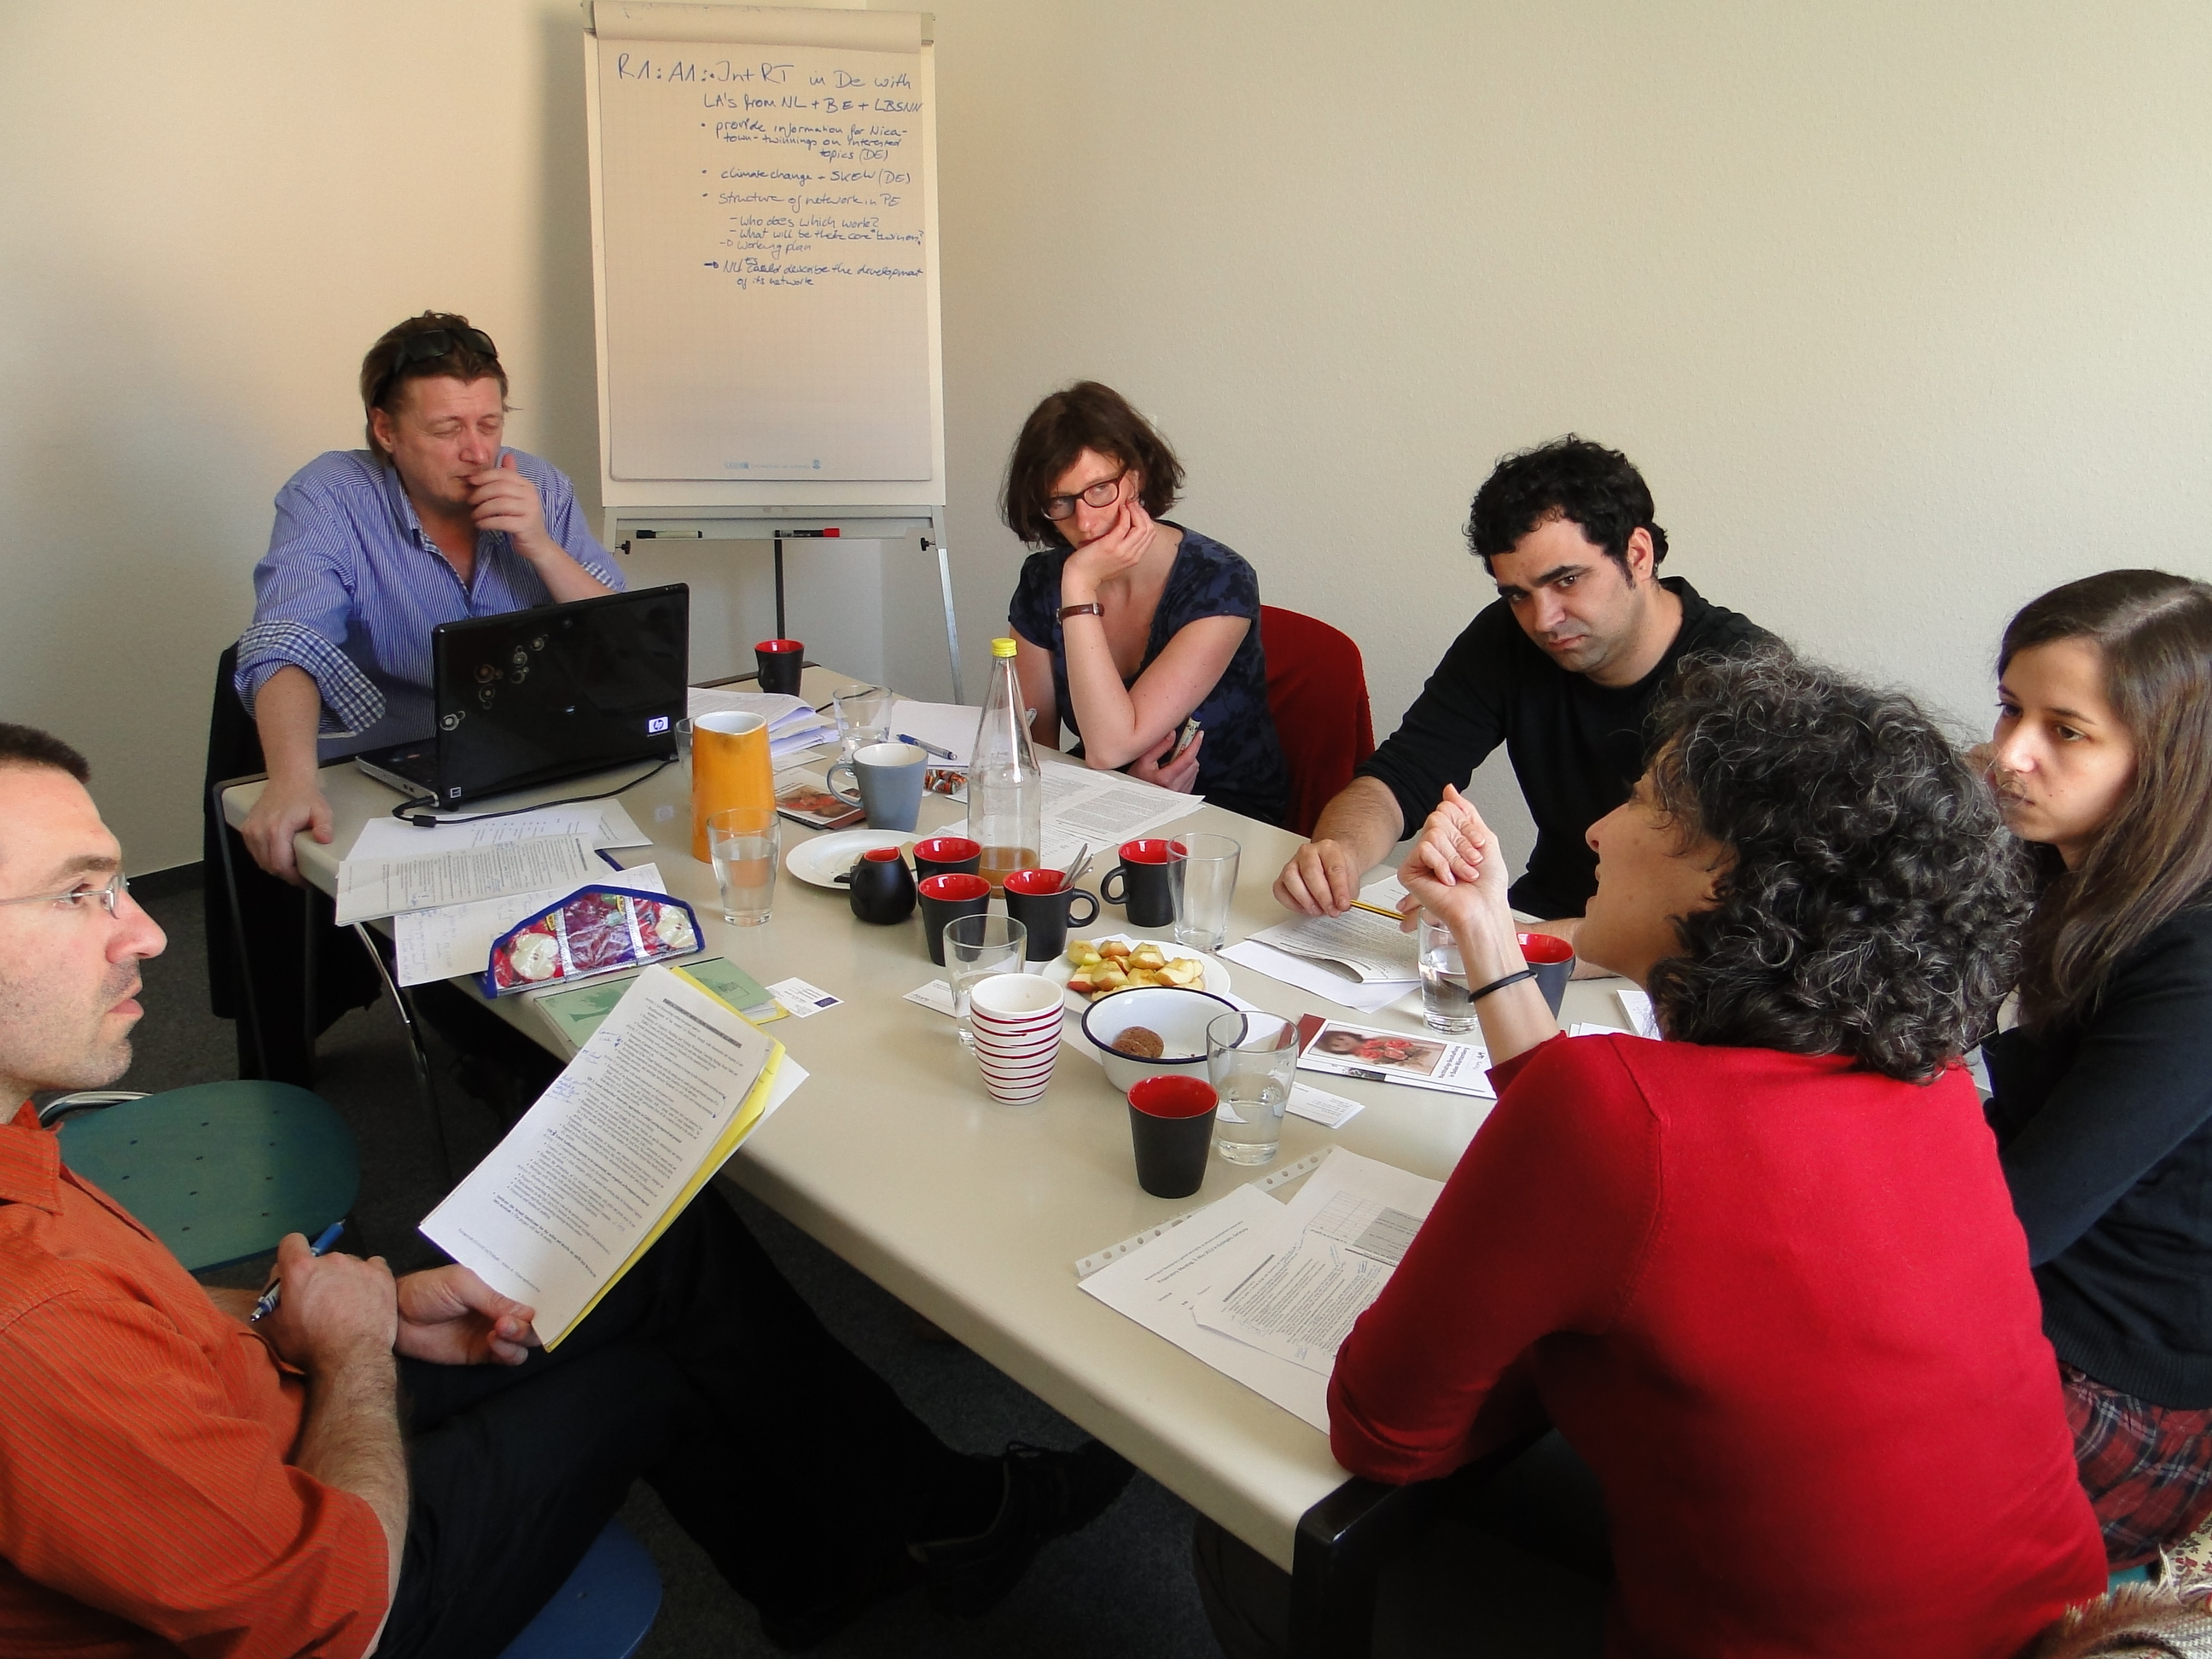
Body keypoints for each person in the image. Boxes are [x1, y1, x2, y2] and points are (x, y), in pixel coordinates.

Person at [0, 724, 1132, 1656]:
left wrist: (337, 1313)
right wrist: (350, 1356)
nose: (148, 930)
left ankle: (869, 1554)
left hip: (250, 1414)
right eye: (78, 895)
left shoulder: (18, 1139)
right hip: (349, 1587)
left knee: (654, 1244)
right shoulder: (28, 1323)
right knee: (642, 1376)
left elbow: (137, 1337)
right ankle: (904, 1542)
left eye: (118, 884)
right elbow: (333, 1613)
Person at [1200, 651, 2105, 1658]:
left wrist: (1546, 1348)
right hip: (2045, 1625)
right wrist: (1485, 929)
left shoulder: (1612, 1114)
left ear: (1724, 877)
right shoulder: (1933, 1085)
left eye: (1637, 802)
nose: (1597, 830)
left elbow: (1383, 1433)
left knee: (1256, 1546)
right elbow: (1622, 1153)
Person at [1272, 435, 1771, 940]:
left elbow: (1740, 914)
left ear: (1637, 555)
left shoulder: (1749, 679)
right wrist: (1339, 851)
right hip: (1541, 918)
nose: (1543, 620)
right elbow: (1402, 774)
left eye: (1567, 580)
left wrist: (1501, 940)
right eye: (1517, 594)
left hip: (1675, 955)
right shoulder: (1507, 637)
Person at [1981, 569, 2212, 1570]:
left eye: (2065, 731)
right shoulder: (2060, 871)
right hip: (2025, 1291)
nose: (2011, 754)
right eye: (2010, 709)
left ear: (2168, 761)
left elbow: (2019, 1221)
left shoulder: (2195, 961)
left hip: (2116, 1386)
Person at [233, 312, 624, 883]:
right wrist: (292, 781)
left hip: (526, 767)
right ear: (386, 431)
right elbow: (289, 642)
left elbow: (622, 642)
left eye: (489, 425)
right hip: (386, 776)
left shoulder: (539, 486)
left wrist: (541, 547)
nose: (477, 452)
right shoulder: (330, 496)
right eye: (447, 431)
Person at [1004, 381, 1290, 825]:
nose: (1085, 522)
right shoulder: (1043, 580)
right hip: (1102, 799)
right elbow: (1031, 751)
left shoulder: (1219, 579)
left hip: (1224, 814)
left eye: (1100, 489)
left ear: (1135, 478)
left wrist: (1078, 584)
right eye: (1060, 501)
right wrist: (1120, 789)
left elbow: (1109, 747)